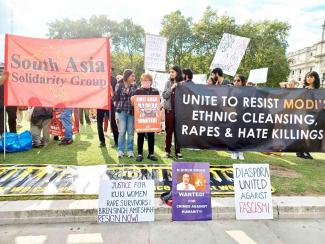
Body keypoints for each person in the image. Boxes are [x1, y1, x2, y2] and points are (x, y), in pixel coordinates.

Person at [131, 73, 159, 162]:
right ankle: (140, 154)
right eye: (143, 80)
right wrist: (132, 100)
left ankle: (151, 154)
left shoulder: (155, 91)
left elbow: (158, 104)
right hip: (141, 117)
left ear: (150, 82)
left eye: (146, 80)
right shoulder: (137, 91)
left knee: (151, 135)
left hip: (151, 117)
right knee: (140, 135)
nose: (144, 82)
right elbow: (134, 105)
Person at [296, 71, 320, 160]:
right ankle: (302, 151)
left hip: (313, 115)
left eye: (311, 77)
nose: (309, 78)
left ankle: (303, 151)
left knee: (309, 133)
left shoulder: (319, 91)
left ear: (315, 78)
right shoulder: (302, 88)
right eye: (308, 77)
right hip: (302, 113)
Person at [163, 65, 183, 159]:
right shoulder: (167, 83)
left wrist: (179, 86)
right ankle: (167, 151)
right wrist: (172, 88)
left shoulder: (182, 84)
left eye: (173, 72)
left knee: (178, 132)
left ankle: (178, 152)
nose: (171, 73)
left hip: (179, 111)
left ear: (177, 73)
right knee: (169, 131)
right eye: (170, 72)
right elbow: (164, 96)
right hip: (169, 111)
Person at [115, 69, 137, 158]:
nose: (134, 78)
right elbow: (116, 99)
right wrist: (124, 93)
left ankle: (130, 150)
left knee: (131, 132)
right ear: (127, 76)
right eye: (132, 76)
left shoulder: (134, 86)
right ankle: (120, 150)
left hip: (131, 112)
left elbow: (135, 99)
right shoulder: (119, 85)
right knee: (122, 131)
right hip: (121, 111)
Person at [97, 75, 119, 148]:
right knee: (99, 123)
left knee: (113, 122)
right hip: (100, 103)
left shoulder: (113, 79)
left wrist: (111, 89)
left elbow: (115, 93)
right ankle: (102, 141)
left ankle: (117, 141)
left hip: (110, 104)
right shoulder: (98, 78)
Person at [231, 75, 246, 160]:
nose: (236, 82)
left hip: (244, 116)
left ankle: (240, 152)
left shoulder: (248, 92)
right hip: (233, 115)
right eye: (234, 80)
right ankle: (234, 152)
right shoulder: (231, 91)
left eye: (238, 80)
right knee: (234, 134)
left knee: (242, 134)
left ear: (242, 82)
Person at [0, 70, 17, 135]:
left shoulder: (14, 79)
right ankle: (4, 135)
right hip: (1, 102)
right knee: (1, 120)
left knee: (12, 118)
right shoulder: (1, 79)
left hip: (11, 102)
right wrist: (2, 79)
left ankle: (13, 134)